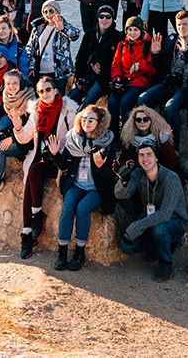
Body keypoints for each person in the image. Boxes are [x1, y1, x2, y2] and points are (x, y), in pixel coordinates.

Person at [12, 77, 79, 260]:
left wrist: (58, 155)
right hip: (41, 157)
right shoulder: (36, 111)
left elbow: (75, 141)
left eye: (48, 90)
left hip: (62, 160)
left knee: (33, 171)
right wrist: (18, 127)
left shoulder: (69, 112)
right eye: (40, 91)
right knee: (31, 174)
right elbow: (24, 137)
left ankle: (33, 224)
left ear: (56, 90)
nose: (44, 94)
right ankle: (29, 230)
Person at [51, 105, 118, 271]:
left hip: (96, 188)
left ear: (100, 122)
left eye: (91, 119)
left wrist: (101, 166)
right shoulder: (73, 139)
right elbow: (64, 166)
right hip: (76, 184)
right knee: (67, 208)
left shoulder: (107, 142)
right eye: (84, 118)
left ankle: (80, 251)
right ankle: (62, 251)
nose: (87, 122)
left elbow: (112, 177)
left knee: (82, 208)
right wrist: (55, 155)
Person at [115, 141, 188, 282]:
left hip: (174, 221)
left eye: (149, 154)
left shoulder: (171, 178)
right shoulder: (138, 173)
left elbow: (165, 214)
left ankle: (165, 263)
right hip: (150, 218)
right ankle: (159, 245)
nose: (145, 159)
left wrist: (135, 227)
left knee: (159, 229)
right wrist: (123, 182)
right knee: (126, 246)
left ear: (156, 157)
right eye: (141, 155)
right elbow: (121, 195)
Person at [138, 9, 188, 149]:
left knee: (170, 107)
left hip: (186, 88)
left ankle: (173, 147)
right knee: (142, 99)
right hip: (168, 83)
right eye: (178, 25)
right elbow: (160, 66)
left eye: (185, 24)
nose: (181, 28)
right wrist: (155, 53)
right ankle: (146, 139)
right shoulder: (172, 40)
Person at [0, 69, 34, 202]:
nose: (11, 87)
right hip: (15, 133)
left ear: (21, 83)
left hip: (27, 141)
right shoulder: (8, 98)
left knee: (0, 148)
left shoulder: (30, 100)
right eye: (8, 83)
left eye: (14, 83)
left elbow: (32, 130)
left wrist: (12, 138)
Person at [108, 16, 160, 136]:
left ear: (141, 30)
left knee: (126, 101)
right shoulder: (122, 44)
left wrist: (140, 65)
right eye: (129, 30)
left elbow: (153, 70)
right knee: (112, 101)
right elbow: (116, 65)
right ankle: (114, 136)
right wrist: (117, 78)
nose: (132, 33)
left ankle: (128, 135)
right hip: (125, 81)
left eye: (135, 30)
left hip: (141, 81)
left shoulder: (148, 45)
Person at [69, 4, 123, 108]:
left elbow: (117, 62)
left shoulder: (117, 37)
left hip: (104, 78)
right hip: (87, 74)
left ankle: (79, 123)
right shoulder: (90, 34)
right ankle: (65, 123)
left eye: (108, 17)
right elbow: (81, 57)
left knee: (89, 99)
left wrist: (101, 70)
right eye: (101, 16)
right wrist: (79, 76)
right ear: (97, 18)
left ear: (113, 19)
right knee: (71, 97)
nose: (104, 20)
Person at [26, 0, 81, 91]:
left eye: (51, 11)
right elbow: (30, 48)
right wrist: (31, 67)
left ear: (57, 12)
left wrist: (63, 29)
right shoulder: (38, 28)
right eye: (45, 12)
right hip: (41, 71)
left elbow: (76, 35)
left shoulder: (64, 26)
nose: (48, 14)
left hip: (59, 73)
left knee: (59, 99)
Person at [118, 105, 180, 176]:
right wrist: (128, 163)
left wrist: (164, 143)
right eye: (138, 119)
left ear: (151, 120)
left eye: (146, 119)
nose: (142, 122)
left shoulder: (160, 136)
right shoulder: (130, 139)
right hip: (139, 176)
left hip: (161, 175)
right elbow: (122, 159)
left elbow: (172, 163)